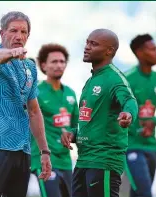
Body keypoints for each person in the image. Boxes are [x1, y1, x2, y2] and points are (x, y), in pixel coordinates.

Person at [0, 11, 51, 197]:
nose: (19, 36)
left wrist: (44, 151)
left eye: (23, 32)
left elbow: (34, 111)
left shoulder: (30, 67)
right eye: (13, 31)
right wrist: (10, 53)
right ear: (2, 33)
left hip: (22, 149)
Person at [61, 28, 138, 197]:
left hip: (103, 162)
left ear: (109, 50)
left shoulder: (115, 78)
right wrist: (73, 134)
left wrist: (128, 114)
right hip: (83, 161)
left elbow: (129, 100)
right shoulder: (91, 81)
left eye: (93, 44)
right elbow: (89, 120)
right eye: (87, 42)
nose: (87, 47)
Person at [31, 44, 79, 197]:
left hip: (65, 160)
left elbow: (77, 126)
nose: (59, 65)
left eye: (62, 61)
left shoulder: (71, 93)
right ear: (44, 65)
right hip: (43, 159)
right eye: (54, 61)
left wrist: (72, 134)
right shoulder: (36, 91)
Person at [125, 34, 156, 197]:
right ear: (139, 52)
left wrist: (153, 122)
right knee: (144, 193)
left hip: (152, 146)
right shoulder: (127, 80)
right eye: (152, 49)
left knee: (137, 193)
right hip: (131, 146)